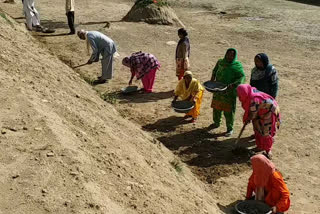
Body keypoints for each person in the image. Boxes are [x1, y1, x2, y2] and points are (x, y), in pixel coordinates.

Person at [237, 84, 281, 158]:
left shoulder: (254, 100)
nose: (239, 97)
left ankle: (268, 150)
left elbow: (252, 115)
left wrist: (248, 119)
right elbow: (252, 113)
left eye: (240, 95)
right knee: (257, 128)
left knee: (266, 131)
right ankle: (260, 146)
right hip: (259, 111)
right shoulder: (249, 93)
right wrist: (249, 118)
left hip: (269, 112)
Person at [209, 48, 246, 136]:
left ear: (234, 56)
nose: (230, 56)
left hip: (229, 92)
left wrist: (233, 84)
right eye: (228, 54)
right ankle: (216, 122)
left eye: (232, 55)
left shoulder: (237, 66)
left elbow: (242, 77)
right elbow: (215, 71)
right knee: (216, 107)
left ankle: (229, 128)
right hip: (218, 90)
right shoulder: (221, 62)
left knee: (229, 111)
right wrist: (212, 80)